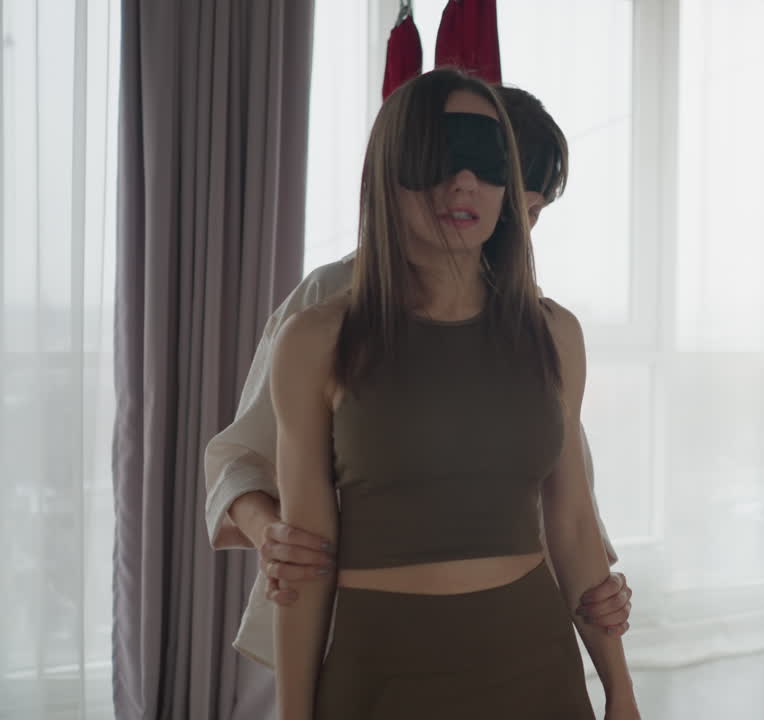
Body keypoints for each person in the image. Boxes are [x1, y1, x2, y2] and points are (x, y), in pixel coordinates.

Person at [211, 71, 639, 718]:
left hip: (532, 654)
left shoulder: (545, 331)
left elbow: (560, 502)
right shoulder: (323, 316)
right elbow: (243, 459)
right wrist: (269, 530)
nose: (468, 186)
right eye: (444, 158)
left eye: (530, 209)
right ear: (396, 171)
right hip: (375, 654)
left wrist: (610, 645)